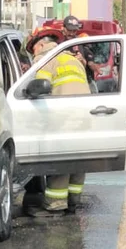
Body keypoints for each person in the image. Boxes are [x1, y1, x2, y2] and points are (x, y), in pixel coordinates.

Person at [24, 31, 91, 217]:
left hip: (63, 116)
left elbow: (39, 87)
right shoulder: (72, 59)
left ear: (41, 45)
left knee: (61, 162)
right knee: (78, 161)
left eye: (34, 49)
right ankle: (73, 202)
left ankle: (55, 206)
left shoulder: (46, 59)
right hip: (84, 115)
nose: (33, 54)